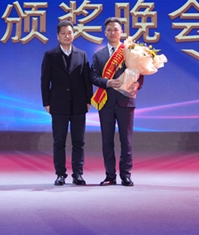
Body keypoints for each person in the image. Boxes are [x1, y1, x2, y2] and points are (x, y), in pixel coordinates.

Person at [90, 17, 143, 186]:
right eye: (109, 30)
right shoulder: (98, 55)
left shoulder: (130, 51)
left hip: (125, 102)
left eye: (116, 29)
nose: (113, 32)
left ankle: (126, 175)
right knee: (107, 141)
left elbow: (139, 73)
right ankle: (110, 175)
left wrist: (137, 85)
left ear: (121, 32)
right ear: (105, 33)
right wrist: (107, 83)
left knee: (126, 141)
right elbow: (93, 77)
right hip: (105, 102)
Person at [41, 20, 92, 186]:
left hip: (79, 105)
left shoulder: (82, 55)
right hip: (58, 105)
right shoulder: (50, 55)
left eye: (69, 33)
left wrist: (88, 100)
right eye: (63, 33)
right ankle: (60, 174)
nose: (67, 36)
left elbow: (87, 80)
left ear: (74, 35)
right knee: (59, 142)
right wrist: (46, 102)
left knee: (79, 142)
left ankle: (78, 174)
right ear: (58, 36)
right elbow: (45, 81)